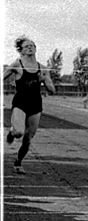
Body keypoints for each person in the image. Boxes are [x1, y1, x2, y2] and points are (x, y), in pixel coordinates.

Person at [3, 36, 55, 174]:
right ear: (21, 51)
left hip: (35, 105)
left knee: (27, 139)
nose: (30, 47)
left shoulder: (43, 68)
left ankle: (18, 162)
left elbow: (52, 90)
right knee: (19, 132)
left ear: (35, 48)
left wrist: (44, 80)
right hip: (20, 102)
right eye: (26, 46)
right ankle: (12, 132)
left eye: (32, 45)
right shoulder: (17, 64)